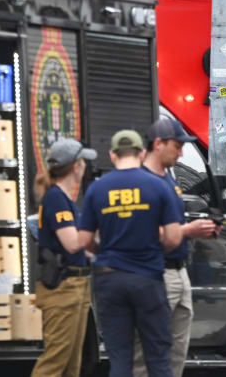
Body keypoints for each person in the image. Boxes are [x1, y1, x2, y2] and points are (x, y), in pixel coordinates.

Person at [78, 130, 184, 377]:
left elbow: (84, 240)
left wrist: (103, 249)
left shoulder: (97, 189)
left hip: (109, 280)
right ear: (143, 153)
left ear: (113, 155)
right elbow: (174, 237)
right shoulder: (159, 186)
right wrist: (156, 250)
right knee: (158, 357)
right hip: (148, 278)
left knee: (120, 359)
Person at [133, 116, 221, 377]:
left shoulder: (169, 179)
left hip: (179, 272)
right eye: (177, 145)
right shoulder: (141, 181)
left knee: (176, 353)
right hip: (155, 273)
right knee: (146, 353)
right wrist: (188, 230)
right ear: (158, 144)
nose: (181, 152)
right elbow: (139, 232)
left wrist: (200, 231)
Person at [31, 137, 96, 377]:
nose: (85, 167)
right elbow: (71, 243)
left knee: (71, 363)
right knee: (56, 361)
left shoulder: (63, 198)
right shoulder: (56, 198)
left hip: (74, 285)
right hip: (63, 288)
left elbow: (80, 247)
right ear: (76, 165)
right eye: (83, 162)